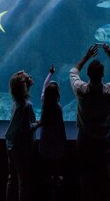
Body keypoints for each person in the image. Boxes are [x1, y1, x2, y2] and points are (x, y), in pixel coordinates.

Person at [69, 43, 110, 201]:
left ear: (87, 74)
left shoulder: (81, 90)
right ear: (103, 75)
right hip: (103, 142)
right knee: (104, 179)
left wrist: (86, 57)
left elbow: (73, 72)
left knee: (85, 178)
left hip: (84, 141)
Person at [5, 70, 41, 201]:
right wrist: (38, 124)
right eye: (28, 77)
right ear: (24, 84)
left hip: (11, 143)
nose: (31, 76)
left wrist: (18, 74)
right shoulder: (27, 105)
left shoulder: (16, 101)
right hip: (21, 147)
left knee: (12, 177)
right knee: (24, 180)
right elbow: (26, 128)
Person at [38, 64, 67, 201]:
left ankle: (46, 184)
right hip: (56, 144)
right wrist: (64, 138)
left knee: (46, 166)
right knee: (56, 165)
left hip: (44, 143)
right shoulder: (58, 108)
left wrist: (50, 74)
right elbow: (61, 126)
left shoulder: (44, 103)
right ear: (58, 95)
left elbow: (44, 86)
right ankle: (56, 182)